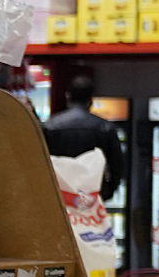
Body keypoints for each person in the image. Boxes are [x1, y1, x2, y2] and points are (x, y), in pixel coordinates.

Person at [40, 62, 127, 198]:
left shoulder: (50, 126)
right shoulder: (106, 128)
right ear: (90, 100)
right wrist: (107, 192)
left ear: (68, 96)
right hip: (92, 193)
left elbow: (41, 163)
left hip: (60, 192)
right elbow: (117, 165)